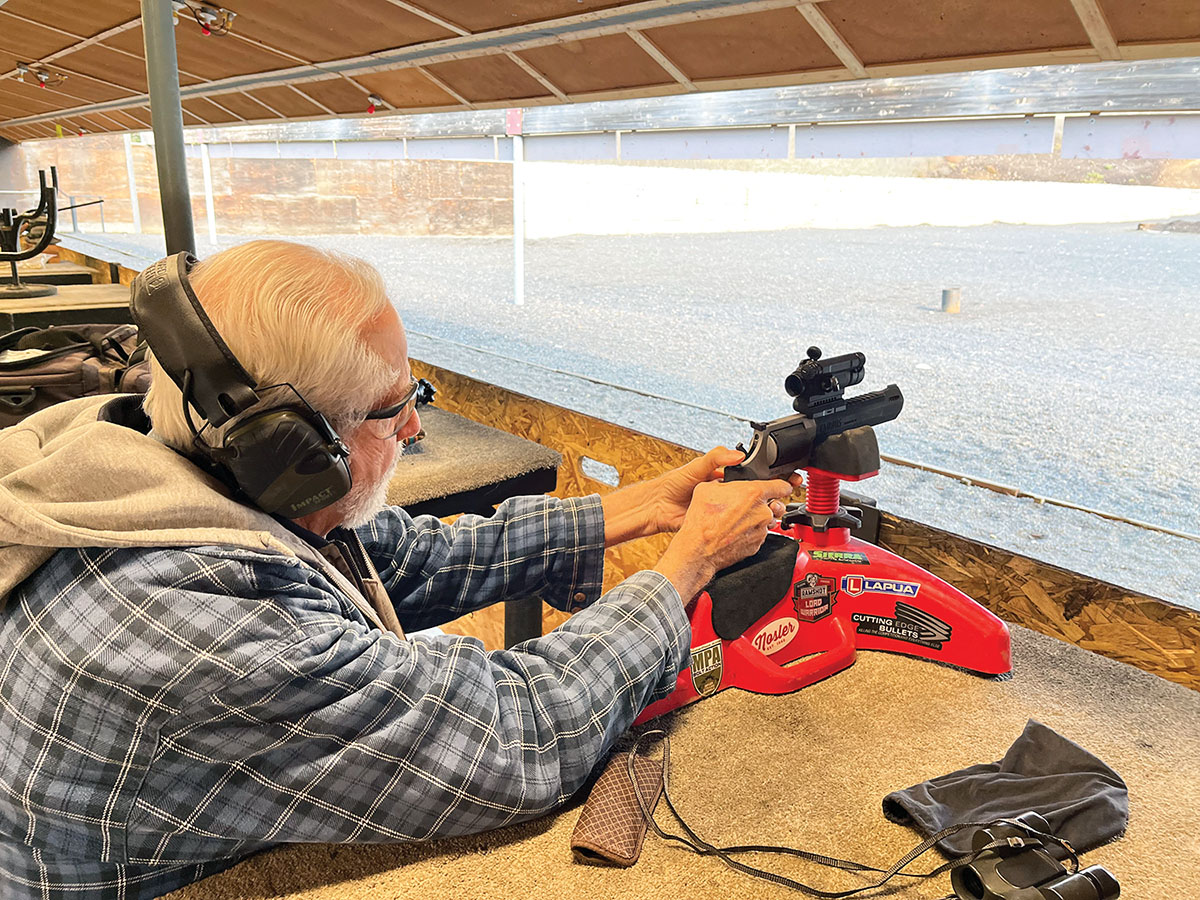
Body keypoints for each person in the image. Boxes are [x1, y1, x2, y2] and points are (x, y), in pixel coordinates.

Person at [0, 240, 796, 899]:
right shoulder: (208, 630)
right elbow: (521, 735)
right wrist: (688, 565)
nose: (416, 426)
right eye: (393, 408)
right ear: (293, 449)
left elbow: (408, 560)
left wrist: (645, 509)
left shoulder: (157, 475)